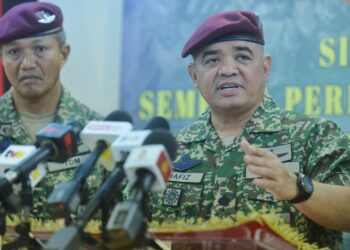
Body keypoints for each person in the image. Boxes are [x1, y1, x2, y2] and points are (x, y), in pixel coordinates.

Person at [150, 10, 350, 249]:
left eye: (243, 57)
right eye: (212, 60)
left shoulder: (315, 135)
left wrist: (298, 189)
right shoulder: (175, 148)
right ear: (194, 75)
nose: (227, 70)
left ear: (265, 68)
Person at [0, 2, 104, 220]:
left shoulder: (95, 132)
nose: (27, 64)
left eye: (40, 49)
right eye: (14, 52)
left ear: (63, 54)